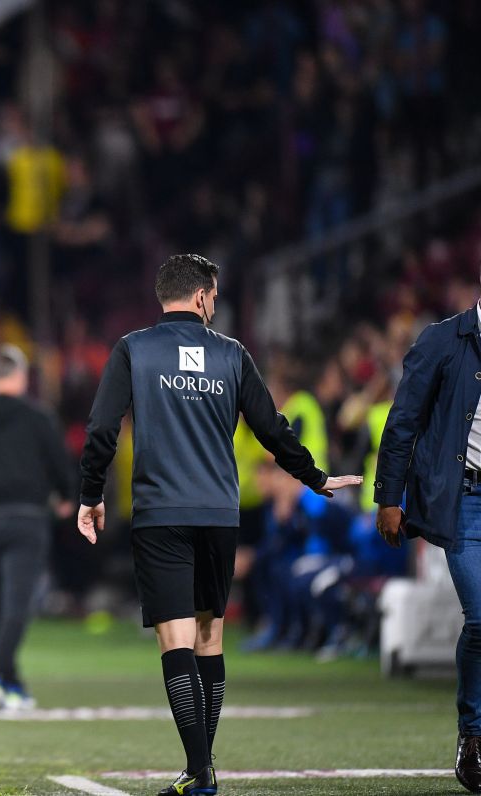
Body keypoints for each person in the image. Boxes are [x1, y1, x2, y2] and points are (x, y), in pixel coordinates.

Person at [75, 254, 361, 796]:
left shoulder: (134, 348)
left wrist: (91, 494)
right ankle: (201, 770)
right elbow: (271, 428)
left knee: (176, 641)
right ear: (204, 297)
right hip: (219, 515)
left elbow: (101, 429)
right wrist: (316, 478)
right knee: (210, 638)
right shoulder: (231, 355)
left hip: (160, 515)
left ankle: (200, 772)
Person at [373, 294, 481, 793]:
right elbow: (402, 423)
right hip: (464, 500)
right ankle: (474, 732)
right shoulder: (443, 340)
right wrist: (389, 497)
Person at [0, 344, 74, 710]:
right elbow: (61, 465)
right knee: (16, 606)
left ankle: (12, 683)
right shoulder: (37, 417)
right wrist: (67, 495)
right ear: (20, 376)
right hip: (26, 519)